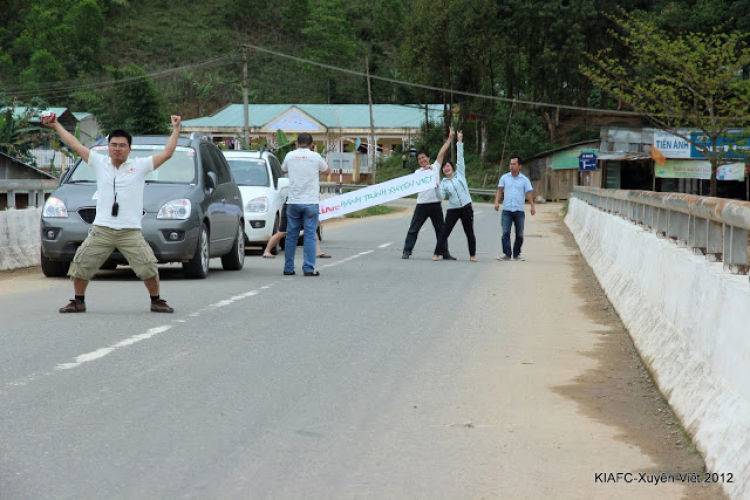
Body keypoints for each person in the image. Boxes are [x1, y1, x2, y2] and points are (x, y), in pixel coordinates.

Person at [44, 114, 183, 313]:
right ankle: (78, 300)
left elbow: (167, 153)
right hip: (102, 228)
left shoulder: (140, 166)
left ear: (129, 149)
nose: (117, 149)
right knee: (82, 262)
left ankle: (156, 300)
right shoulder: (99, 163)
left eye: (122, 145)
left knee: (148, 265)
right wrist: (56, 125)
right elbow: (74, 144)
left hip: (130, 230)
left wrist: (176, 129)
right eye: (114, 145)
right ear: (108, 147)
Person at [401, 130, 455, 260]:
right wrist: (425, 170)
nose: (422, 160)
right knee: (414, 229)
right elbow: (416, 182)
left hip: (435, 203)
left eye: (423, 157)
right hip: (422, 204)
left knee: (441, 230)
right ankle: (407, 251)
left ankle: (444, 252)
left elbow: (442, 153)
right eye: (419, 159)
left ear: (428, 158)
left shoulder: (436, 167)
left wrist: (450, 138)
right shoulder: (417, 172)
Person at [281, 132, 330, 276]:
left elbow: (283, 170)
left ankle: (288, 268)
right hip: (311, 202)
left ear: (296, 143)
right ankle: (308, 268)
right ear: (311, 144)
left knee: (291, 235)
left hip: (294, 201)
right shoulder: (315, 157)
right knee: (309, 235)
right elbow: (327, 171)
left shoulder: (290, 155)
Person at [434, 128, 477, 262]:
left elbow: (460, 158)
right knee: (445, 232)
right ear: (443, 171)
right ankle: (436, 253)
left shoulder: (460, 174)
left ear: (452, 167)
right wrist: (436, 188)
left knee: (469, 232)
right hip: (453, 209)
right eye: (444, 167)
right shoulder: (444, 183)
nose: (446, 168)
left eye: (448, 166)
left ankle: (472, 255)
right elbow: (441, 197)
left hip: (466, 207)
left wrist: (459, 141)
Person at [494, 156, 536, 261]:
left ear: (519, 166)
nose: (511, 166)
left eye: (514, 164)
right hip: (507, 209)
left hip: (519, 210)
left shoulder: (524, 180)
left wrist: (532, 206)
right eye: (510, 164)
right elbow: (500, 190)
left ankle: (516, 254)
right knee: (505, 232)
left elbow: (528, 193)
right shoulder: (504, 178)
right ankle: (507, 254)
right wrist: (496, 202)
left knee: (519, 234)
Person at [262, 201, 330, 259]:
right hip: (291, 206)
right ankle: (267, 251)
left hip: (304, 206)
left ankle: (318, 251)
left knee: (312, 231)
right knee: (283, 232)